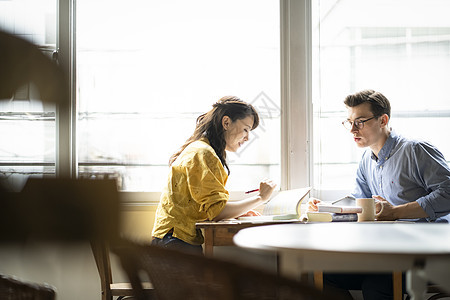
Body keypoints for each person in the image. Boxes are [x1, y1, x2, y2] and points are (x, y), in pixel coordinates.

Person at [309, 89, 450, 299]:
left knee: (376, 284)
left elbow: (448, 192)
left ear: (383, 120)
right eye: (349, 122)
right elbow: (360, 206)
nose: (352, 130)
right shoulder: (366, 161)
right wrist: (326, 208)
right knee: (321, 276)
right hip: (387, 254)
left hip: (427, 256)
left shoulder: (415, 150)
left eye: (360, 122)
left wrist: (395, 212)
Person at [151, 96, 277, 254]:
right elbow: (217, 212)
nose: (247, 137)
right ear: (226, 122)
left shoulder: (200, 148)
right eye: (246, 129)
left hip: (171, 240)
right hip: (175, 243)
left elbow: (210, 206)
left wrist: (239, 210)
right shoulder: (205, 153)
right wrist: (261, 198)